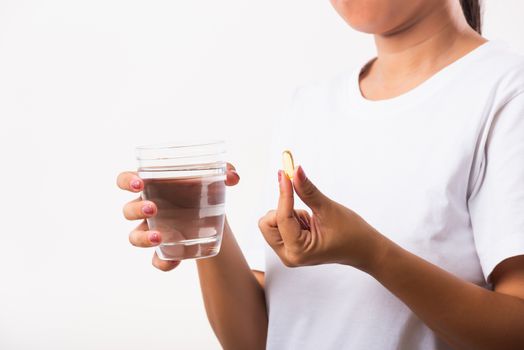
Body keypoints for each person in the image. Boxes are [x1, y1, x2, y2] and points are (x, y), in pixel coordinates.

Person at [117, 0, 524, 349]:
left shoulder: (506, 93)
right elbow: (260, 338)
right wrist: (204, 226)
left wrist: (372, 255)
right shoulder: (308, 107)